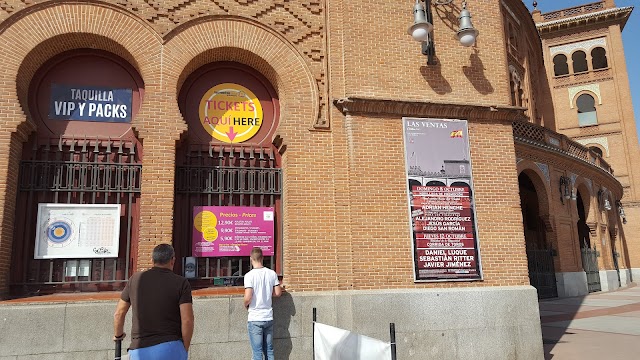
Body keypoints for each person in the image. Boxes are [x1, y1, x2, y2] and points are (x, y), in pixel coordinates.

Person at [113, 244, 194, 360]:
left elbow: (118, 314)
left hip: (139, 350)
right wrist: (183, 349)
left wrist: (118, 335)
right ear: (173, 260)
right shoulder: (181, 283)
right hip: (170, 347)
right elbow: (187, 320)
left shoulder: (134, 280)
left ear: (152, 260)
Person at [244, 247, 284, 360]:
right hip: (268, 317)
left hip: (255, 318)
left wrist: (245, 305)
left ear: (251, 258)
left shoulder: (249, 276)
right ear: (263, 258)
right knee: (269, 351)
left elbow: (248, 297)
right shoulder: (272, 273)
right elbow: (278, 293)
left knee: (257, 353)